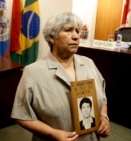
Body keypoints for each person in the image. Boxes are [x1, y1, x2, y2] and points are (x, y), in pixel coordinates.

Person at [11, 11, 110, 141]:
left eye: (77, 31)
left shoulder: (88, 63)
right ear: (52, 37)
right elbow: (21, 115)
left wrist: (104, 116)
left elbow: (102, 97)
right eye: (68, 30)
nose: (76, 36)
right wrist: (52, 133)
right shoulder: (33, 72)